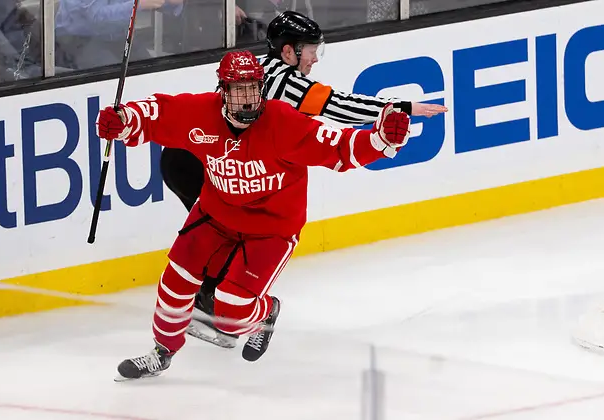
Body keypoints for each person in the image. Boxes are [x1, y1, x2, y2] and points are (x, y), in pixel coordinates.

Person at [96, 49, 414, 380]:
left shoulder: (283, 122)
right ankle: (162, 352)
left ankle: (265, 315)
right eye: (238, 90)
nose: (247, 99)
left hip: (271, 229)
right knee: (174, 282)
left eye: (253, 89)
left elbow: (339, 147)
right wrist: (124, 121)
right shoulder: (201, 113)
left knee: (230, 308)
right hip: (215, 214)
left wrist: (380, 141)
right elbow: (158, 113)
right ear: (223, 91)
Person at [159, 10, 448, 348]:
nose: (314, 58)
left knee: (223, 229)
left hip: (191, 160)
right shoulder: (288, 81)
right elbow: (341, 106)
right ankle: (218, 303)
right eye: (310, 49)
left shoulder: (257, 67)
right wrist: (400, 107)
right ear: (288, 51)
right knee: (225, 228)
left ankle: (216, 301)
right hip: (202, 162)